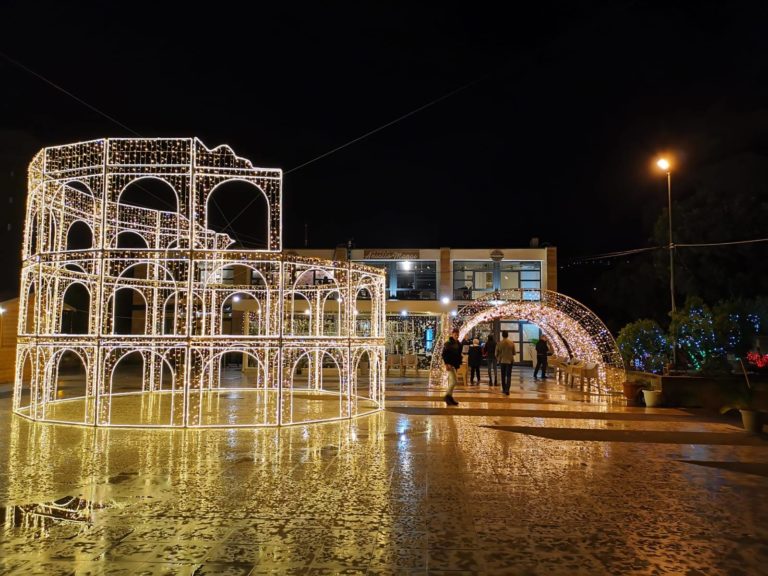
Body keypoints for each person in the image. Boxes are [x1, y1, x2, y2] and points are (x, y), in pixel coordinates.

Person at [441, 328, 462, 406]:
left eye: (457, 335)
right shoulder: (448, 343)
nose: (457, 336)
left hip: (455, 364)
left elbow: (458, 354)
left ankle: (450, 397)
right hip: (450, 365)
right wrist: (446, 364)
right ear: (452, 334)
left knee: (453, 381)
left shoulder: (459, 344)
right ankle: (447, 396)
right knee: (454, 381)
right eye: (455, 334)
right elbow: (444, 354)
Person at [496, 330, 516, 395]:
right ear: (508, 335)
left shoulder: (499, 343)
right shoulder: (512, 343)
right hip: (510, 361)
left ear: (502, 335)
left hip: (502, 361)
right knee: (509, 375)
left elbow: (496, 353)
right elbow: (514, 353)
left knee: (503, 375)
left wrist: (498, 358)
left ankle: (504, 389)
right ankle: (507, 390)